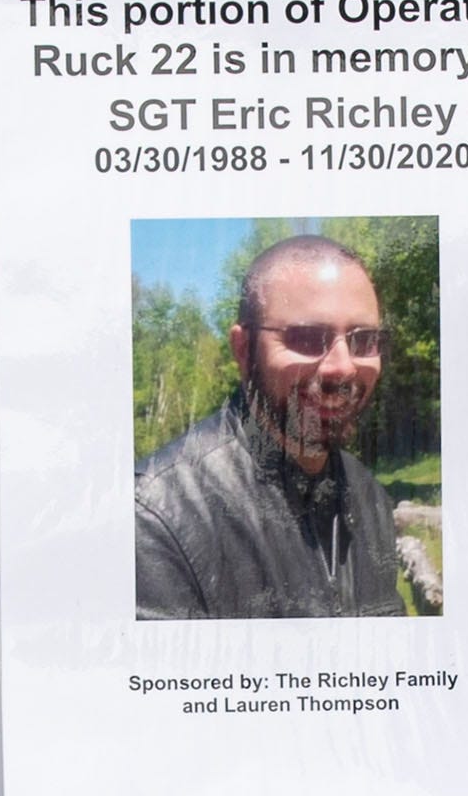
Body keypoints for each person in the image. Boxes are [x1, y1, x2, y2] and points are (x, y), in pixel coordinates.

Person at [133, 233, 412, 619]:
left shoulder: (368, 498)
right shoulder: (158, 519)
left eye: (365, 340)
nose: (344, 367)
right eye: (309, 338)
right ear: (244, 350)